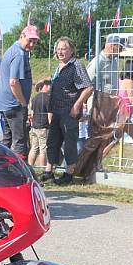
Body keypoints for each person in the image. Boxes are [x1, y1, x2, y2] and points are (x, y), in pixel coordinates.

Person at [40, 37, 93, 185]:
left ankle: (69, 173)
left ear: (71, 51)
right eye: (58, 48)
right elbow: (57, 81)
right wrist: (45, 81)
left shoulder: (76, 65)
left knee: (69, 142)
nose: (60, 51)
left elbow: (88, 87)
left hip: (68, 112)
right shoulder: (59, 66)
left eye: (64, 48)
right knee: (52, 142)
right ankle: (49, 172)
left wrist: (77, 105)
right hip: (56, 111)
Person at [0, 25, 40, 158]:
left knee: (6, 140)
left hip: (3, 103)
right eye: (29, 40)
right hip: (14, 105)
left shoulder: (12, 50)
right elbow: (14, 82)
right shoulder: (19, 54)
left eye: (35, 41)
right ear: (22, 36)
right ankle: (18, 175)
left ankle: (0, 170)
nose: (31, 44)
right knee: (20, 142)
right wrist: (24, 104)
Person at [100, 61, 133, 169]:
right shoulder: (128, 81)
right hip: (123, 114)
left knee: (120, 139)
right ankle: (97, 161)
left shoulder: (120, 80)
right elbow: (131, 98)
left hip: (120, 113)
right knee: (132, 137)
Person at [27, 79, 51, 167]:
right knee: (43, 149)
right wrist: (51, 125)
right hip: (43, 127)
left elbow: (31, 114)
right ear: (45, 86)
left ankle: (30, 166)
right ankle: (42, 167)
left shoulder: (34, 98)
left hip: (34, 127)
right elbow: (50, 114)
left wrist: (32, 124)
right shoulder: (48, 98)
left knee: (34, 148)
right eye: (49, 85)